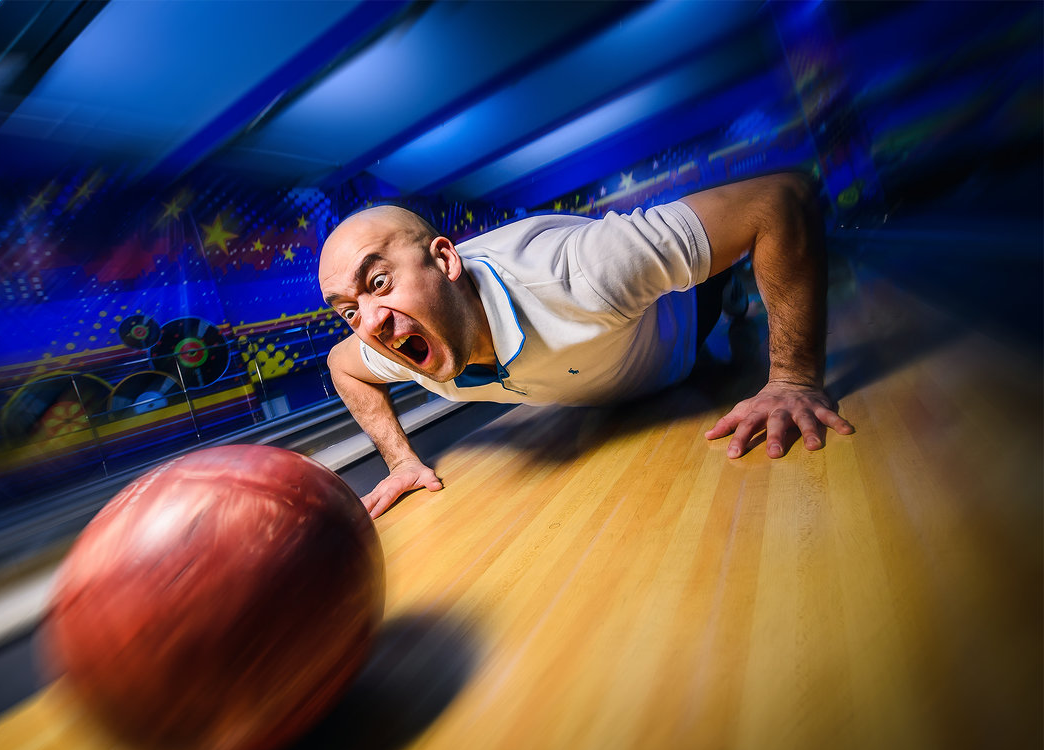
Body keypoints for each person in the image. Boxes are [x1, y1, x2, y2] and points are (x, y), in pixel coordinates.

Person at [318, 172, 855, 518]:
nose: (368, 324)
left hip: (683, 325)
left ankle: (731, 286)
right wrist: (400, 461)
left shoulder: (580, 272)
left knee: (718, 284)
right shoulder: (398, 344)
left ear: (446, 261)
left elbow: (780, 198)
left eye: (379, 282)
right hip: (615, 366)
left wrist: (792, 380)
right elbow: (342, 365)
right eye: (347, 310)